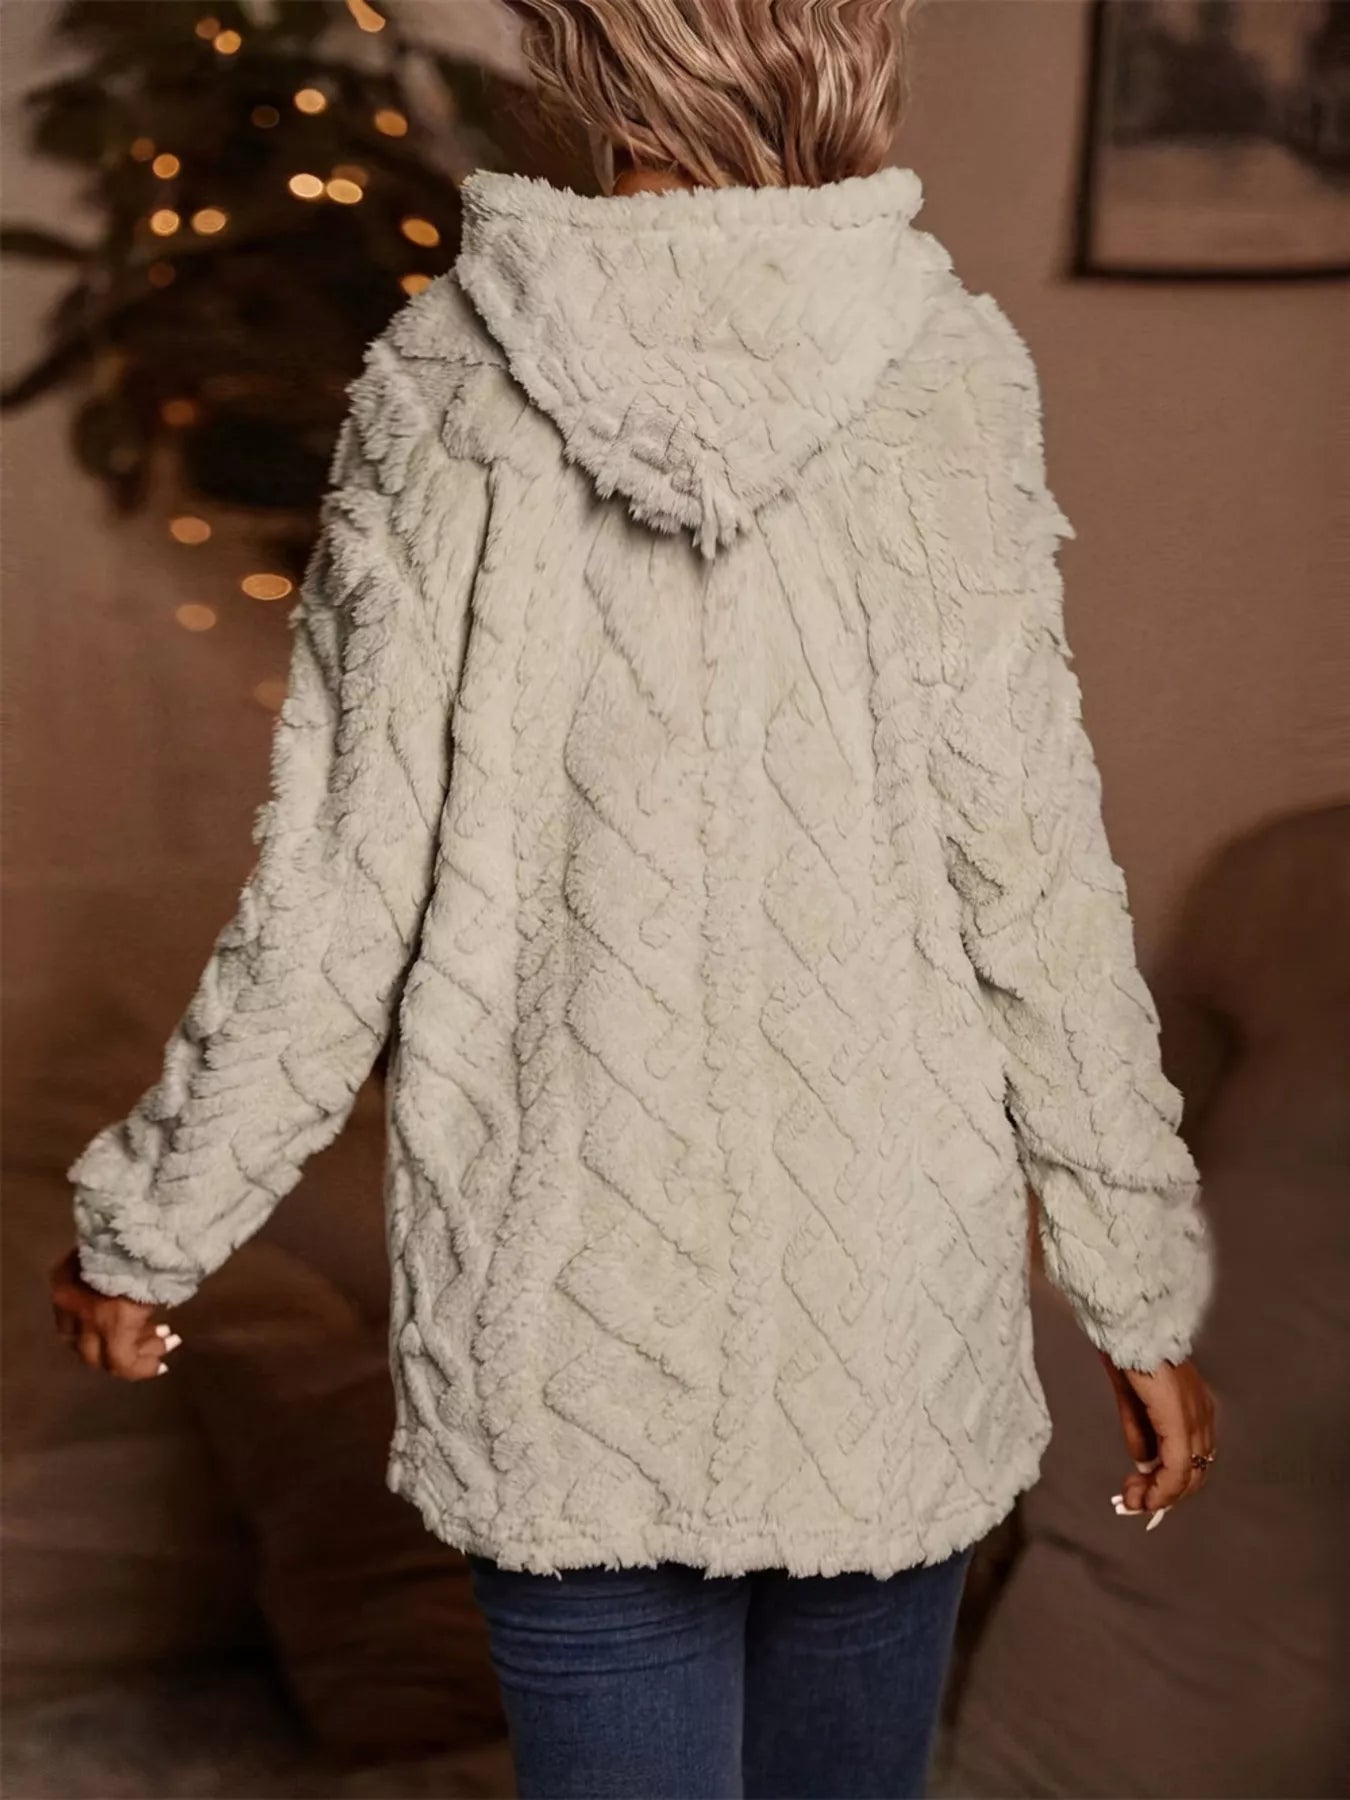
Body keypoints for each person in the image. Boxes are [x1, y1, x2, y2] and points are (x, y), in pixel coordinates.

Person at [50, 2, 1217, 1795]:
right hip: (882, 1312)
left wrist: (153, 1222)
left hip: (559, 1312)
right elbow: (1035, 879)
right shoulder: (938, 367)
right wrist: (1136, 1290)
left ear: (590, 57)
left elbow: (338, 889)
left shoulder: (444, 376)